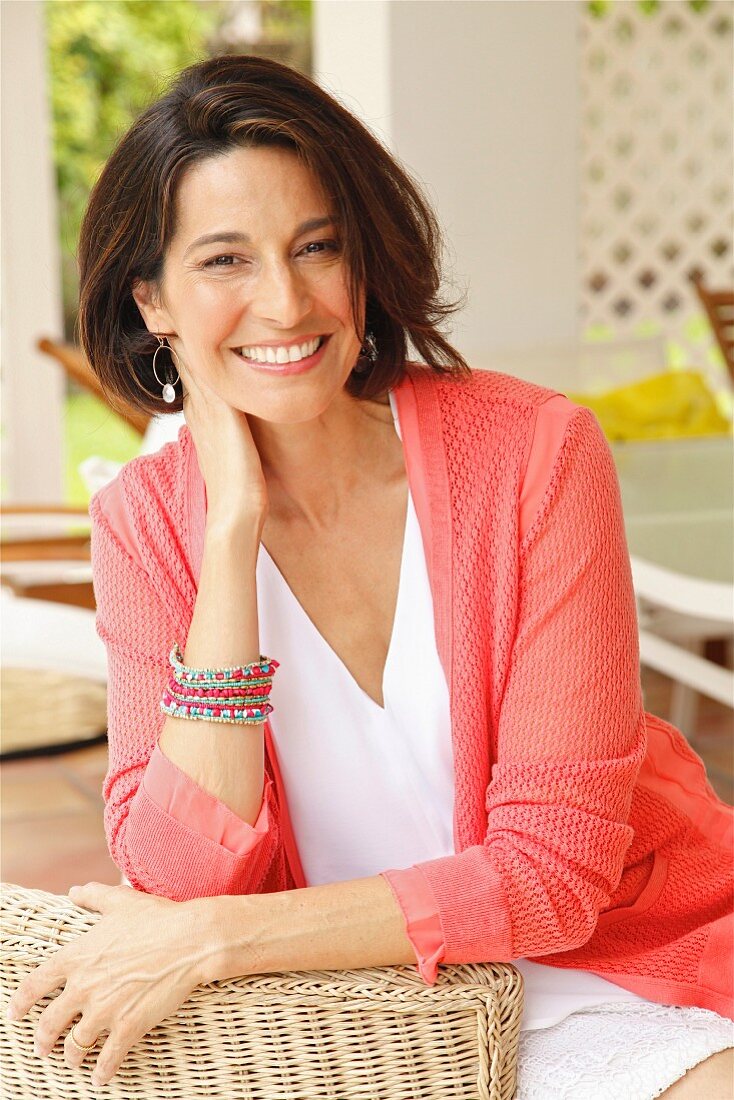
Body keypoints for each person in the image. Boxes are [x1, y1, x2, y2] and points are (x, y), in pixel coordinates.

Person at [7, 55, 733, 1097]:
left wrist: (220, 936)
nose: (285, 301)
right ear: (151, 300)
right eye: (224, 260)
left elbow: (555, 875)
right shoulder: (145, 522)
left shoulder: (534, 455)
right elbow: (174, 871)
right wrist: (229, 537)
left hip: (606, 975)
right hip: (354, 1010)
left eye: (316, 246)